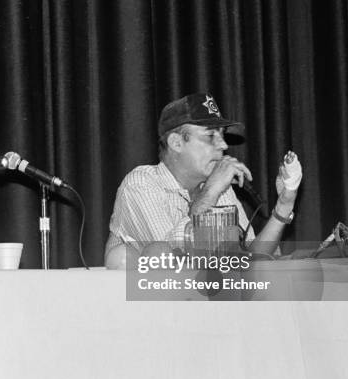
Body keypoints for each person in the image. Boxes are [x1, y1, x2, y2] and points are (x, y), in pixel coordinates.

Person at [105, 92, 302, 267]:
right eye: (210, 136)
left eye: (222, 135)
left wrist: (283, 206)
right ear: (176, 143)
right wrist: (211, 191)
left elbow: (252, 259)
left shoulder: (219, 188)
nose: (224, 145)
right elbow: (168, 260)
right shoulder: (140, 184)